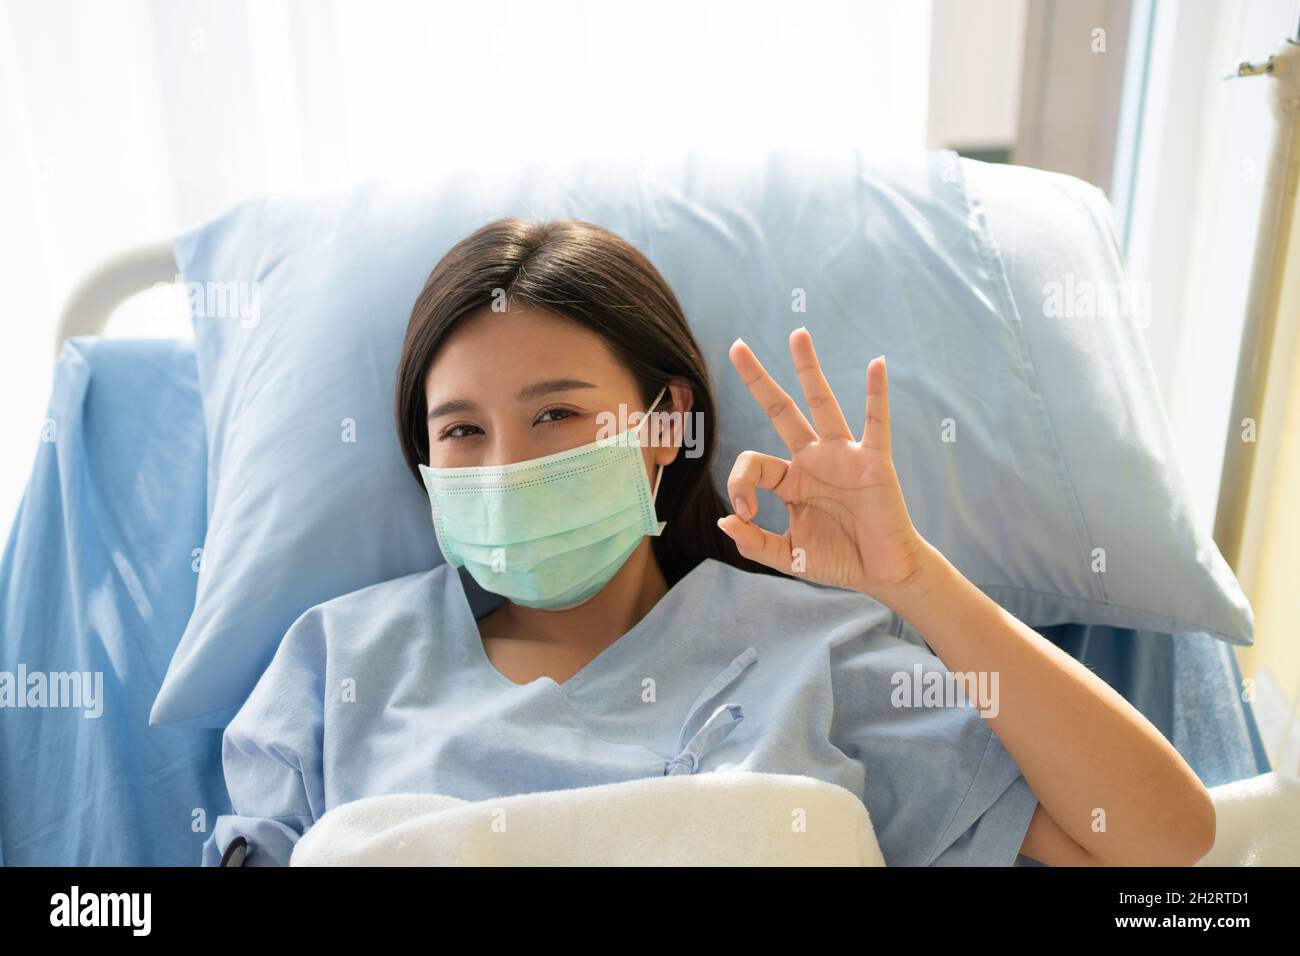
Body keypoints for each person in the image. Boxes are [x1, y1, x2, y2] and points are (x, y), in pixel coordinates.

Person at [202, 217, 1215, 867]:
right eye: (461, 430)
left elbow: (1161, 843)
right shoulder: (339, 662)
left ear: (663, 422)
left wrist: (917, 579)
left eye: (556, 415)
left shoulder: (813, 651)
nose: (506, 465)